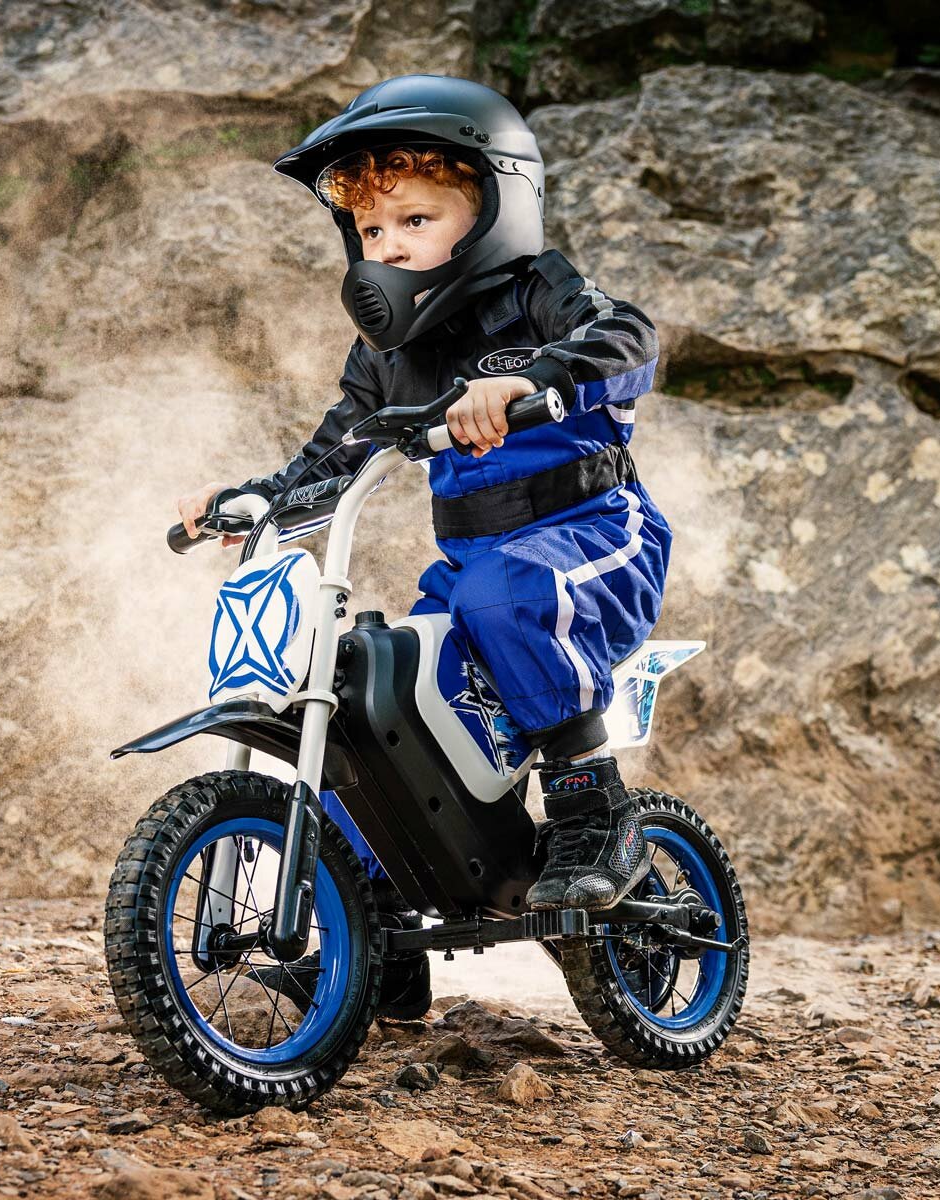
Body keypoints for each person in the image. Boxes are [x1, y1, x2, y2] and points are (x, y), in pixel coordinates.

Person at [177, 75, 671, 1021]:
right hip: (478, 561)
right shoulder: (386, 357)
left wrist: (535, 376)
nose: (389, 244)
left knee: (499, 599)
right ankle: (374, 933)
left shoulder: (539, 292)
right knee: (378, 687)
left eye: (415, 217)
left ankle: (592, 808)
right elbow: (333, 449)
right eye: (371, 231)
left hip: (594, 537)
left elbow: (629, 337)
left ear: (493, 208)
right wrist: (251, 498)